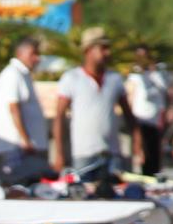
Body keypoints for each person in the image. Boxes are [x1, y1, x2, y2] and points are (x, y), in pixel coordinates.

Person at [53, 30, 133, 182]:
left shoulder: (114, 79)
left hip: (111, 154)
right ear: (88, 50)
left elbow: (129, 115)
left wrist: (137, 143)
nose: (107, 53)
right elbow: (59, 117)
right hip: (84, 155)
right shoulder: (71, 78)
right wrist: (59, 153)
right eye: (102, 48)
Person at [0, 34, 50, 181]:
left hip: (23, 146)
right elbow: (13, 108)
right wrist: (25, 140)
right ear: (20, 54)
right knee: (19, 186)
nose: (37, 58)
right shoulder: (12, 74)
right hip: (17, 146)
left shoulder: (23, 74)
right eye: (33, 54)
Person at [125, 44, 173, 179]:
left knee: (154, 153)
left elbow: (166, 92)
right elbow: (129, 95)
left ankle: (153, 176)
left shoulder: (156, 75)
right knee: (141, 152)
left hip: (155, 119)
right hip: (140, 118)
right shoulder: (134, 76)